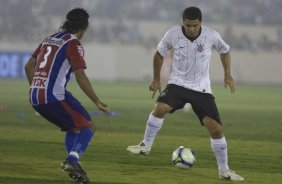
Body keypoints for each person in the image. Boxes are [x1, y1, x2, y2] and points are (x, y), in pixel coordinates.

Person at [127, 7, 244, 181]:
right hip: (177, 84)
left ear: (200, 23)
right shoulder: (172, 34)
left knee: (216, 129)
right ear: (183, 22)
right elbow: (159, 54)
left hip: (201, 89)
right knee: (160, 108)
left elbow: (225, 51)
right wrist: (156, 79)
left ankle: (224, 170)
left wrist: (227, 73)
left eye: (194, 25)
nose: (191, 29)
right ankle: (145, 145)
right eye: (188, 25)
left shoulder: (211, 35)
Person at [25, 8, 110, 184]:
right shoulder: (73, 43)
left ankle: (74, 164)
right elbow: (80, 76)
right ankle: (72, 161)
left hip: (34, 96)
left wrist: (37, 88)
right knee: (88, 126)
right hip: (54, 95)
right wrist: (97, 101)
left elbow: (28, 66)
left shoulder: (49, 39)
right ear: (85, 26)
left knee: (73, 128)